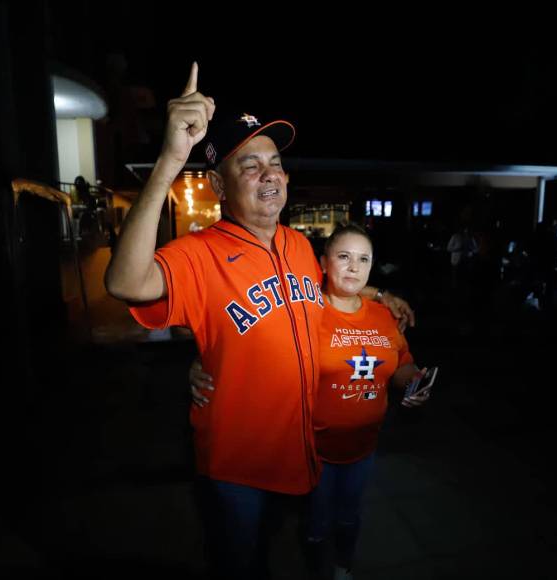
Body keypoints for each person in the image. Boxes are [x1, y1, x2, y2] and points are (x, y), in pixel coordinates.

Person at [104, 63, 414, 579]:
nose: (269, 172)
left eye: (274, 161)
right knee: (239, 562)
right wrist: (170, 160)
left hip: (303, 448)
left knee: (290, 547)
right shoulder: (197, 253)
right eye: (249, 165)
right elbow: (126, 282)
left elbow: (324, 285)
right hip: (238, 465)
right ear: (220, 187)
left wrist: (380, 290)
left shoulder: (297, 244)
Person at [191, 224, 432, 579]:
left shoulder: (386, 317)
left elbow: (401, 362)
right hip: (312, 449)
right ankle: (318, 568)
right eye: (343, 257)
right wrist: (200, 362)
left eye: (363, 259)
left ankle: (343, 567)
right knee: (316, 523)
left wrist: (412, 380)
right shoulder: (304, 313)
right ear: (322, 263)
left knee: (350, 516)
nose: (353, 267)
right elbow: (245, 335)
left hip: (364, 448)